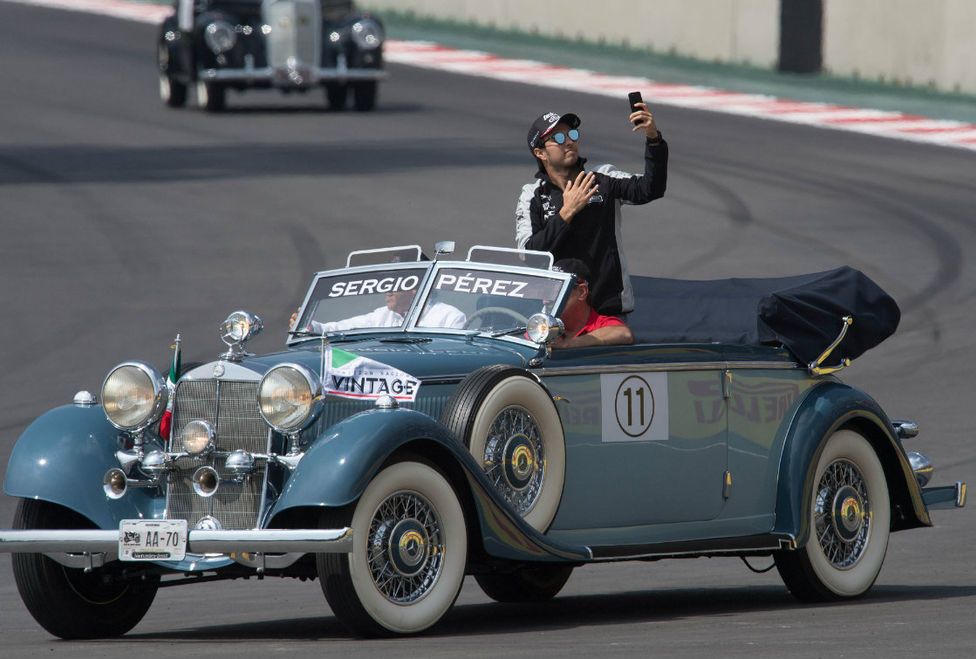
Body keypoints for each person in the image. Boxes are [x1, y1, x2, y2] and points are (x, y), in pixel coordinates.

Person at [515, 104, 668, 316]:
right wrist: (566, 212)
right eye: (558, 138)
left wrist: (654, 140)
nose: (569, 141)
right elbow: (529, 255)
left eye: (572, 134)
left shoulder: (603, 178)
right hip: (557, 311)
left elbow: (651, 189)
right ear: (540, 153)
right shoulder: (532, 196)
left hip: (609, 308)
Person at [291, 287, 466, 333]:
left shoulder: (450, 316)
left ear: (415, 289)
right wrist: (312, 327)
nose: (388, 291)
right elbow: (342, 327)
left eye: (396, 285)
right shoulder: (382, 315)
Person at [551, 258, 633, 349]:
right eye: (547, 291)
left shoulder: (601, 325)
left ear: (582, 292)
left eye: (557, 291)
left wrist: (569, 344)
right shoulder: (541, 324)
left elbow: (624, 333)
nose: (545, 300)